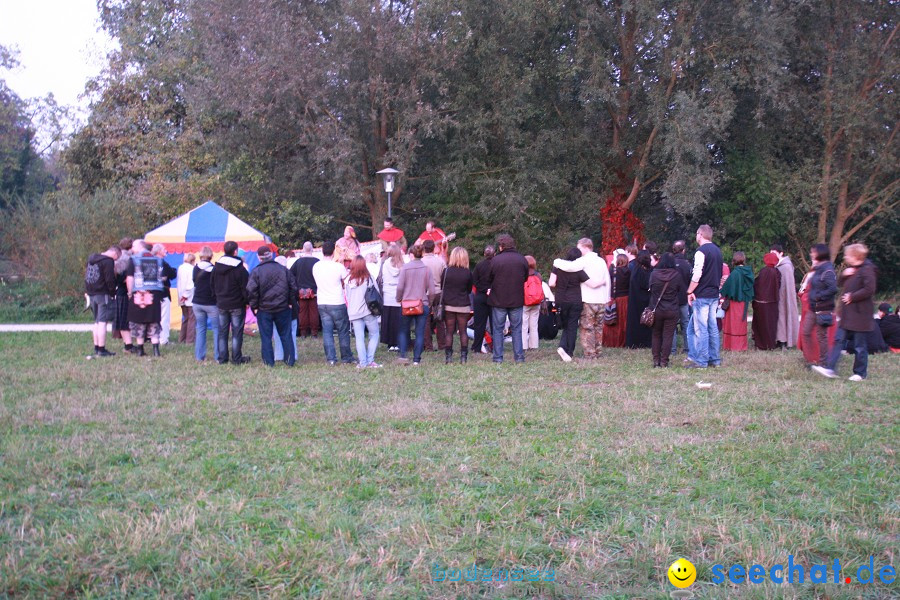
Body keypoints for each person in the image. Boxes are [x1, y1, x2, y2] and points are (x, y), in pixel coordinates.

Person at [813, 244, 877, 381]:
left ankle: (860, 373)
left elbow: (869, 289)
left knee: (860, 346)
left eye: (848, 255)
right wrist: (844, 274)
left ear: (856, 256)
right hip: (847, 315)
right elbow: (841, 284)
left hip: (861, 315)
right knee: (838, 340)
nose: (845, 257)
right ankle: (830, 368)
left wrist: (852, 297)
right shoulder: (853, 269)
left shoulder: (867, 270)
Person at [551, 237, 611, 358]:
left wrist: (556, 262)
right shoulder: (601, 261)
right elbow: (607, 278)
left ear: (585, 247)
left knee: (587, 327)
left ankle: (589, 353)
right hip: (601, 299)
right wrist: (607, 294)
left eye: (579, 247)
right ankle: (597, 351)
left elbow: (568, 267)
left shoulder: (583, 261)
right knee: (598, 327)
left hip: (588, 299)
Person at [247, 246, 297, 367]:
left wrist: (254, 306)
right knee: (286, 335)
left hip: (264, 309)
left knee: (266, 337)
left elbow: (251, 290)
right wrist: (290, 302)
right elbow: (293, 287)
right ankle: (289, 360)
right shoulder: (283, 269)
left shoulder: (256, 271)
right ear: (271, 255)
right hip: (283, 307)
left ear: (259, 257)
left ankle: (269, 362)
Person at [684, 224, 724, 368]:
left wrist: (689, 291)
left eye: (696, 234)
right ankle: (715, 359)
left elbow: (697, 274)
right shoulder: (717, 251)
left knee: (700, 329)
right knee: (712, 327)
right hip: (714, 294)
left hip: (702, 295)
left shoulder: (701, 252)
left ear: (700, 234)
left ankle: (701, 361)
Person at [487, 234, 530, 364]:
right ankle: (519, 357)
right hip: (516, 299)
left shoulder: (495, 260)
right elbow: (525, 278)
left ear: (501, 246)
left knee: (498, 329)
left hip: (499, 299)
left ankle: (498, 358)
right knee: (517, 329)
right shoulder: (522, 259)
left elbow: (489, 278)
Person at [313, 241, 354, 365]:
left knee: (327, 331)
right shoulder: (338, 267)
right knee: (342, 330)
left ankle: (331, 358)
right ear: (333, 252)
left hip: (322, 301)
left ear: (322, 251)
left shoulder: (316, 266)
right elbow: (346, 280)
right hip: (336, 301)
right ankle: (346, 357)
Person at [212, 241, 251, 364]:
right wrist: (247, 301)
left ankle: (223, 358)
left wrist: (217, 298)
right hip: (237, 304)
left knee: (222, 332)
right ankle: (236, 358)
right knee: (236, 332)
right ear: (235, 251)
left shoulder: (216, 267)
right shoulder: (240, 269)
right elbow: (245, 288)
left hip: (222, 303)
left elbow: (212, 285)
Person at [396, 244, 435, 365]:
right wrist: (430, 303)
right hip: (421, 303)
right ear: (422, 254)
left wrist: (399, 299)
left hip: (407, 303)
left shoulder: (405, 268)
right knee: (420, 332)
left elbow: (400, 287)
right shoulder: (427, 269)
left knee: (403, 330)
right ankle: (416, 359)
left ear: (411, 254)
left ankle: (403, 355)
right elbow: (432, 291)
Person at [800, 243, 837, 366]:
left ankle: (823, 362)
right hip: (812, 307)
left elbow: (832, 289)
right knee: (805, 332)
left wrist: (818, 296)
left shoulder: (828, 270)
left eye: (814, 252)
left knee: (822, 336)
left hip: (823, 308)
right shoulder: (817, 269)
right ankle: (810, 359)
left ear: (820, 254)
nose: (811, 254)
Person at [549, 247, 589, 362]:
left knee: (565, 324)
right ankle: (568, 351)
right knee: (572, 326)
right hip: (575, 300)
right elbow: (588, 282)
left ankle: (562, 347)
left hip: (561, 300)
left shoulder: (558, 267)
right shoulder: (579, 269)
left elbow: (551, 283)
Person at [125, 240, 163, 357]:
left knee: (139, 321)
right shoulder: (158, 260)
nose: (132, 248)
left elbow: (130, 278)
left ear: (140, 246)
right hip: (154, 294)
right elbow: (162, 276)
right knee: (154, 320)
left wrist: (130, 292)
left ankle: (140, 349)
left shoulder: (133, 259)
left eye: (134, 245)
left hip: (139, 294)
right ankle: (156, 350)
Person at [344, 256, 381, 369]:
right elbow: (377, 292)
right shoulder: (368, 279)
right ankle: (370, 360)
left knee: (359, 337)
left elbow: (347, 296)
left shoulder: (348, 280)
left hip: (354, 312)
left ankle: (363, 362)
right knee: (374, 334)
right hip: (367, 311)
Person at [648, 252, 685, 367]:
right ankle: (664, 361)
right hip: (671, 309)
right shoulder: (676, 275)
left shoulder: (654, 274)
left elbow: (650, 288)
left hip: (657, 308)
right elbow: (681, 290)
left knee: (656, 334)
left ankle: (656, 361)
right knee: (668, 335)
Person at [84, 244, 121, 357]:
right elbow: (110, 279)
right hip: (102, 294)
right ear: (115, 253)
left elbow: (88, 276)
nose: (115, 261)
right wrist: (113, 293)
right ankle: (102, 349)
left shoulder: (92, 258)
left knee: (96, 322)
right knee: (102, 322)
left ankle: (96, 347)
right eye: (117, 259)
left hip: (91, 293)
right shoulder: (108, 261)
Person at [442, 247, 474, 363]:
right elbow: (469, 290)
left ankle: (448, 357)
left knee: (449, 331)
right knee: (463, 331)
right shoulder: (467, 273)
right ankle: (463, 357)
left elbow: (442, 287)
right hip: (463, 305)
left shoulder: (446, 271)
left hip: (449, 305)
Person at [718, 252, 754, 351]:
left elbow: (726, 289)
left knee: (733, 324)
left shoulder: (735, 273)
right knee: (741, 324)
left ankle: (733, 345)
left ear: (734, 260)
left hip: (734, 303)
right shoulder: (749, 272)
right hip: (744, 303)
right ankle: (741, 345)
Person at [192, 246, 219, 363]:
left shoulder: (195, 268)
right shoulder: (214, 269)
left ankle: (199, 356)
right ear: (211, 256)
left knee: (201, 329)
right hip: (211, 303)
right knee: (217, 330)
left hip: (197, 302)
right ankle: (218, 356)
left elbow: (194, 281)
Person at [771, 244, 800, 348]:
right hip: (777, 297)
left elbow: (787, 285)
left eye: (774, 253)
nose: (772, 256)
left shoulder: (786, 266)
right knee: (779, 318)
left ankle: (785, 341)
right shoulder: (776, 266)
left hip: (785, 297)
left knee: (785, 316)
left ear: (781, 253)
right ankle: (779, 339)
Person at [289, 242, 320, 338]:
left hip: (301, 292)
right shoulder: (317, 261)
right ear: (312, 249)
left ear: (303, 249)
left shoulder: (298, 262)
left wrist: (296, 287)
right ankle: (314, 333)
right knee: (314, 312)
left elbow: (290, 275)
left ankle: (303, 333)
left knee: (302, 312)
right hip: (314, 292)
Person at [421, 239, 447, 351]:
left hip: (425, 293)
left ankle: (428, 346)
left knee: (425, 320)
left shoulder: (420, 262)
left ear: (423, 249)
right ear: (433, 248)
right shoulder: (440, 261)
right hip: (438, 292)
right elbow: (445, 277)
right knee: (440, 319)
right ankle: (442, 344)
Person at [752, 253, 781, 351]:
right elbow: (778, 286)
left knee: (760, 323)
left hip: (760, 302)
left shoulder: (763, 271)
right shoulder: (777, 272)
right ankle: (770, 344)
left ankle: (760, 344)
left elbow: (757, 284)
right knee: (771, 324)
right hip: (772, 303)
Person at [378, 243, 404, 350]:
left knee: (388, 319)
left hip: (388, 293)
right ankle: (397, 342)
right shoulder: (403, 265)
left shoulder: (385, 264)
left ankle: (390, 342)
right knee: (398, 320)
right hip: (398, 293)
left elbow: (382, 278)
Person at [625, 250, 653, 349]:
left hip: (635, 300)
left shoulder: (635, 271)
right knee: (647, 320)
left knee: (635, 321)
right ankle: (646, 342)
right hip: (648, 299)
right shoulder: (651, 271)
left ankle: (634, 342)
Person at [151, 244, 177, 345]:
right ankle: (163, 340)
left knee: (155, 317)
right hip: (163, 293)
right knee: (164, 317)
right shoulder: (162, 263)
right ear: (158, 251)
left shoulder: (150, 263)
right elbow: (171, 274)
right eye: (163, 249)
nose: (166, 250)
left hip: (152, 293)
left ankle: (154, 337)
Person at [603, 251, 630, 348]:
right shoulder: (629, 271)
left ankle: (610, 342)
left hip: (614, 298)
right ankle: (623, 341)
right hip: (626, 299)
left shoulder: (612, 271)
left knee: (612, 321)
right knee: (623, 322)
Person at [470, 245, 494, 354]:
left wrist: (483, 289)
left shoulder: (479, 266)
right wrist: (490, 289)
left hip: (480, 296)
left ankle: (477, 346)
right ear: (494, 254)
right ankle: (496, 345)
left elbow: (474, 281)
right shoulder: (497, 265)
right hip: (494, 296)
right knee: (495, 323)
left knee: (479, 323)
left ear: (484, 254)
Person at [671, 240, 692, 355]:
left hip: (672, 298)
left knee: (672, 325)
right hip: (684, 298)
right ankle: (687, 348)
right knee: (685, 323)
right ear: (684, 250)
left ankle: (673, 350)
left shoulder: (670, 263)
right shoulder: (687, 264)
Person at [112, 238, 134, 352]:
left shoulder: (118, 258)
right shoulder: (128, 259)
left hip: (119, 291)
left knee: (122, 318)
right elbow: (123, 277)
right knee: (125, 319)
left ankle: (127, 344)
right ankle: (128, 345)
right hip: (125, 292)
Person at [521, 256, 543, 350]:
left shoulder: (522, 274)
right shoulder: (538, 275)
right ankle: (534, 345)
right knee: (534, 325)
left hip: (525, 303)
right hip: (536, 302)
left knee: (524, 325)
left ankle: (524, 346)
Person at [176, 253, 196, 344]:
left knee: (186, 318)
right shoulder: (192, 269)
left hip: (181, 297)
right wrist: (186, 295)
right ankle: (190, 340)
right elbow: (190, 284)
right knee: (192, 319)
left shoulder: (180, 267)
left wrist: (182, 296)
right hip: (189, 297)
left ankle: (182, 338)